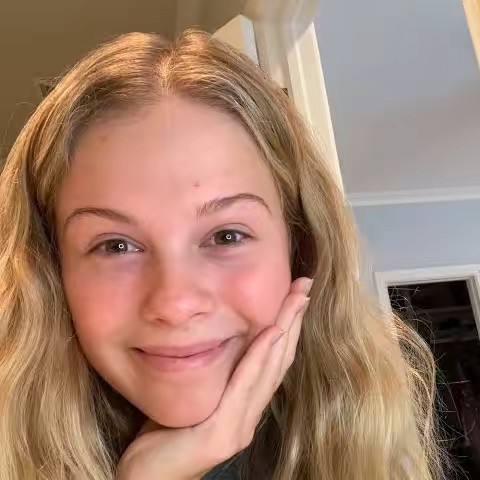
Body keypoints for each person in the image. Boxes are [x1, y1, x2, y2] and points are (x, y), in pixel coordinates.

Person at [0, 30, 446, 480]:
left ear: (299, 247)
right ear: (52, 268)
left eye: (226, 236)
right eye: (115, 246)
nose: (175, 304)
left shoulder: (379, 454)